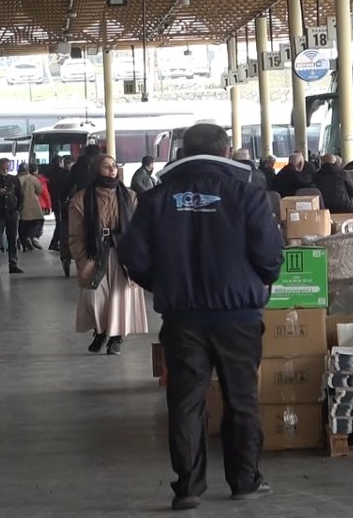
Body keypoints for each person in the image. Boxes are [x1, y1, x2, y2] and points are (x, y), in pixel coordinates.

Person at [120, 123, 283, 511]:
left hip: (182, 316)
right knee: (241, 399)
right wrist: (257, 281)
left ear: (183, 151)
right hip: (238, 315)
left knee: (186, 400)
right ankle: (245, 480)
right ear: (226, 151)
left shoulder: (157, 197)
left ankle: (188, 488)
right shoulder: (247, 193)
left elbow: (133, 256)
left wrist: (164, 284)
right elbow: (270, 257)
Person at [68, 154, 148, 356]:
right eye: (106, 166)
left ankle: (116, 338)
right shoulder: (81, 198)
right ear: (96, 169)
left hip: (123, 253)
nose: (112, 170)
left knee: (120, 297)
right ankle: (101, 330)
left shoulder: (130, 196)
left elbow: (139, 227)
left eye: (114, 166)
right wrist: (81, 258)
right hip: (94, 253)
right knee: (96, 299)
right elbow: (75, 234)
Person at [0, 158, 24, 274]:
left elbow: (20, 195)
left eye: (8, 166)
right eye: (4, 166)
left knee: (12, 239)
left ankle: (13, 264)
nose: (6, 168)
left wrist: (18, 210)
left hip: (12, 213)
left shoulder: (14, 179)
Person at [18, 163, 46, 251]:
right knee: (36, 222)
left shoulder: (15, 179)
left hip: (20, 205)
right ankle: (32, 238)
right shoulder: (32, 178)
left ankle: (24, 239)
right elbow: (40, 190)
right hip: (32, 205)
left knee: (21, 224)